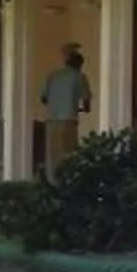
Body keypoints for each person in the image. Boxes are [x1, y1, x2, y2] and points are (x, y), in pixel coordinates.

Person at [39, 44, 92, 176]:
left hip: (51, 120)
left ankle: (52, 183)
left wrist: (56, 101)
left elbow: (44, 98)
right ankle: (66, 184)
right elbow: (86, 103)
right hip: (68, 120)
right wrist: (81, 108)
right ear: (79, 64)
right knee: (68, 155)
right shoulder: (79, 76)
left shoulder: (53, 75)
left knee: (53, 156)